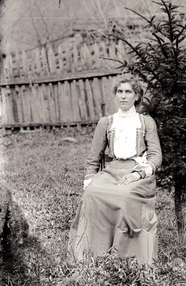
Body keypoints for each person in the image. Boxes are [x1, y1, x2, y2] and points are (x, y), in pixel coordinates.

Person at [68, 73, 162, 265]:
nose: (123, 96)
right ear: (115, 95)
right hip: (112, 170)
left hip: (138, 172)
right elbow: (94, 157)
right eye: (120, 92)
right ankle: (92, 253)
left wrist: (139, 173)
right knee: (92, 194)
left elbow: (156, 156)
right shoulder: (106, 122)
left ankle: (126, 257)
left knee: (125, 195)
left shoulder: (145, 122)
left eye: (128, 92)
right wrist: (89, 179)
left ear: (137, 96)